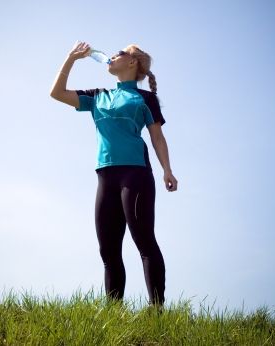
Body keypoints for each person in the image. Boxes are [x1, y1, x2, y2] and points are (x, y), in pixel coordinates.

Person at [50, 41, 178, 307]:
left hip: (136, 175)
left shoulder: (145, 99)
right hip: (105, 177)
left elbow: (157, 137)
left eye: (120, 53)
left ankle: (157, 312)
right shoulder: (98, 95)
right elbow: (57, 93)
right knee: (108, 250)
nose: (113, 55)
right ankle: (113, 315)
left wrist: (167, 169)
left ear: (132, 63)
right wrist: (71, 59)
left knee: (144, 241)